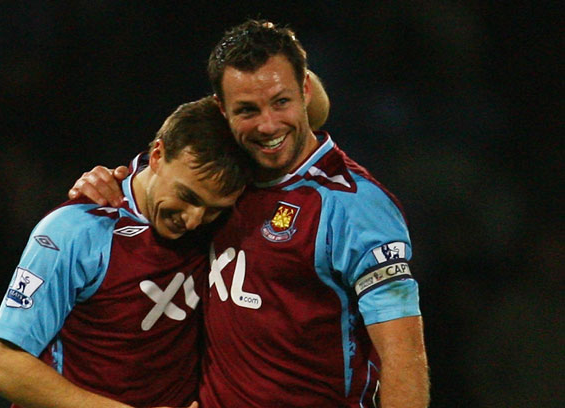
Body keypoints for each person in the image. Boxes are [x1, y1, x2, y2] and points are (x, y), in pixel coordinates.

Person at [69, 19, 430, 407]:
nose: (268, 125)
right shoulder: (219, 181)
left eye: (281, 102)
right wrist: (104, 183)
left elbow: (403, 359)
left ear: (305, 91)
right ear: (221, 110)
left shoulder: (356, 207)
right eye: (247, 110)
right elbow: (159, 177)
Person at [0, 96, 253, 408]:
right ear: (157, 154)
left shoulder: (225, 223)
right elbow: (3, 366)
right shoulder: (75, 230)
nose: (194, 220)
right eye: (186, 196)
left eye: (212, 209)